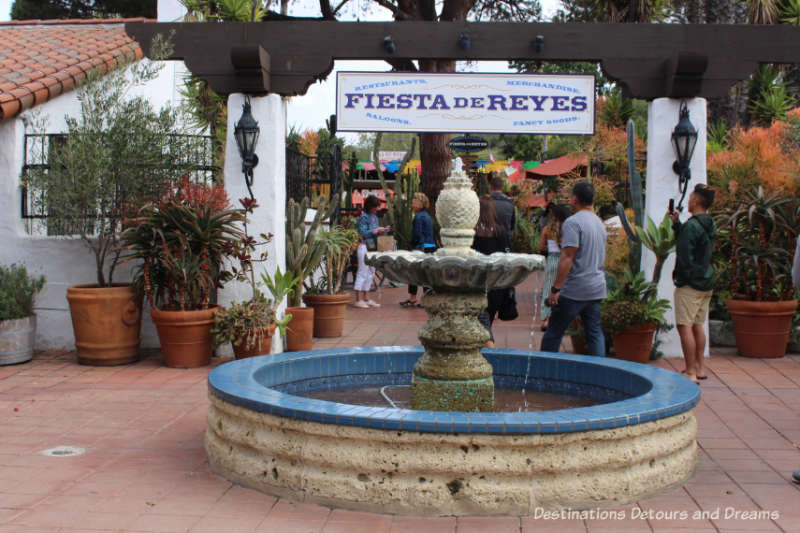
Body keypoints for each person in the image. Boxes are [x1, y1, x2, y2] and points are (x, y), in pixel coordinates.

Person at [541, 182, 607, 356]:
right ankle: (598, 374)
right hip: (596, 287)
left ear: (575, 198)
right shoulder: (599, 223)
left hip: (575, 289)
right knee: (594, 334)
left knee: (553, 333)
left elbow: (568, 257)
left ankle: (543, 371)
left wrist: (555, 289)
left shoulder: (573, 223)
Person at [670, 184, 716, 384]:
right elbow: (697, 245)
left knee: (685, 326)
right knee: (698, 325)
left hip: (691, 285)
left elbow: (685, 255)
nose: (688, 201)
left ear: (697, 201)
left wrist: (683, 278)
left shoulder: (692, 226)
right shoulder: (709, 223)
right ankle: (700, 367)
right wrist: (677, 224)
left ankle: (690, 372)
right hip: (706, 281)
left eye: (690, 197)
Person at [472, 196, 511, 348]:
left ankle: (487, 354)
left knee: (481, 322)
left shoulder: (472, 233)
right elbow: (507, 257)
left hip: (475, 284)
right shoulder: (500, 231)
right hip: (495, 285)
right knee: (486, 321)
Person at [354, 195, 390, 309]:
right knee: (362, 271)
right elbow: (363, 232)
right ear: (369, 206)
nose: (377, 209)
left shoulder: (374, 216)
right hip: (364, 246)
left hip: (372, 247)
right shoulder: (363, 217)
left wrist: (382, 230)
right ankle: (358, 299)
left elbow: (373, 231)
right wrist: (376, 230)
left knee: (371, 272)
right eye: (375, 207)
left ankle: (366, 298)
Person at [401, 192, 436, 308]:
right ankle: (425, 298)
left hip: (421, 248)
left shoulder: (418, 217)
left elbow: (417, 234)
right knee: (425, 273)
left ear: (418, 204)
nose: (411, 204)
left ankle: (413, 298)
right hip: (430, 247)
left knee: (413, 273)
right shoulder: (427, 215)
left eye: (413, 202)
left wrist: (414, 246)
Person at [539, 205, 570, 330]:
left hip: (551, 261)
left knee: (548, 288)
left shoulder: (547, 229)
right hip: (564, 261)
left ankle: (547, 319)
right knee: (562, 288)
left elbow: (541, 248)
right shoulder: (568, 230)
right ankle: (562, 319)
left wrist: (551, 248)